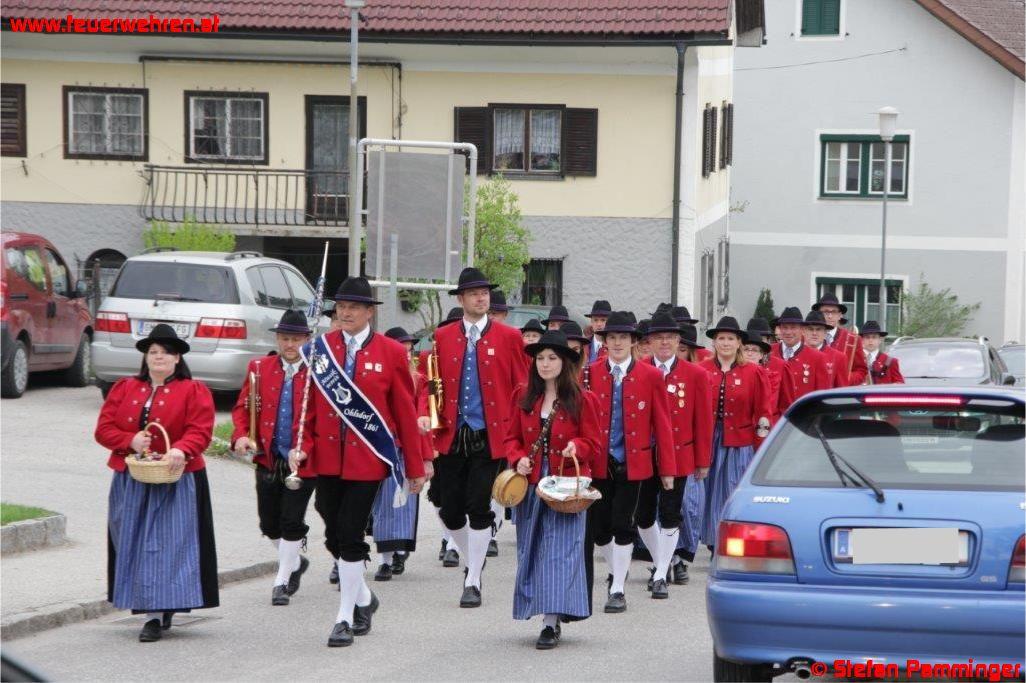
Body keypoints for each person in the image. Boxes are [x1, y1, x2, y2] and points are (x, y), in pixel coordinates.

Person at [293, 276, 427, 648]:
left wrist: (414, 468)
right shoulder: (319, 350)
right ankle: (365, 599)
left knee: (351, 533)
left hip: (368, 461)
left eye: (354, 307)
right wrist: (300, 445)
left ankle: (344, 616)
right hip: (326, 460)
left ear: (370, 312)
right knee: (333, 533)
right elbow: (305, 410)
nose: (346, 312)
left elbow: (403, 413)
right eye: (342, 307)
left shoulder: (391, 352)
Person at [94, 324, 217, 643]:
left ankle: (156, 615)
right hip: (131, 479)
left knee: (167, 545)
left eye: (166, 352)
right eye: (153, 352)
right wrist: (129, 440)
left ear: (177, 358)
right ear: (146, 358)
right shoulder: (124, 388)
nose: (159, 357)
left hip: (177, 479)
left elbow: (200, 430)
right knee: (133, 542)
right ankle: (149, 605)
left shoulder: (194, 390)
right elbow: (103, 430)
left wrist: (180, 448)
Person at [432, 267, 527, 608]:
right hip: (452, 433)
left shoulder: (509, 337)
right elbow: (434, 385)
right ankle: (471, 559)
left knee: (478, 506)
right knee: (449, 510)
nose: (481, 297)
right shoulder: (443, 336)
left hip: (490, 434)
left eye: (484, 292)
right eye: (473, 293)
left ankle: (473, 577)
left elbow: (521, 388)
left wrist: (520, 436)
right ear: (461, 299)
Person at [505, 330, 601, 649]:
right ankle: (540, 611)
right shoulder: (524, 395)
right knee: (532, 550)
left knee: (560, 552)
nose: (545, 364)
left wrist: (577, 446)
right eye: (540, 358)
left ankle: (551, 621)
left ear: (565, 362)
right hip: (533, 485)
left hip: (566, 487)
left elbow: (593, 442)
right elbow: (511, 440)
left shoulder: (583, 398)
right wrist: (518, 459)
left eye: (552, 358)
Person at [587, 311, 674, 614]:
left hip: (633, 462)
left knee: (624, 524)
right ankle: (616, 570)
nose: (618, 343)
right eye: (612, 337)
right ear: (605, 342)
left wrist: (667, 469)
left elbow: (662, 424)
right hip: (598, 462)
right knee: (600, 529)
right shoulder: (591, 373)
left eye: (624, 337)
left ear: (634, 342)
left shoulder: (651, 376)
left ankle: (617, 587)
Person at [231, 310, 314, 606]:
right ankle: (294, 563)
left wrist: (306, 448)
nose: (290, 344)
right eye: (285, 338)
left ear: (307, 339)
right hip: (268, 457)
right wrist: (240, 435)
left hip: (302, 460)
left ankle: (281, 581)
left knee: (292, 520)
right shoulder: (259, 368)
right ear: (277, 339)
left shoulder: (317, 371)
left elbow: (322, 419)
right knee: (269, 523)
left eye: (296, 338)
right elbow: (242, 408)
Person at [636, 313, 712, 599]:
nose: (664, 342)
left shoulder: (696, 375)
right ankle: (661, 561)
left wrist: (703, 461)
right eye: (658, 337)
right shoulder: (639, 369)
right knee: (643, 516)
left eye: (670, 337)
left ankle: (659, 573)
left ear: (679, 341)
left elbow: (703, 421)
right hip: (644, 455)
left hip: (680, 454)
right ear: (650, 342)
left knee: (670, 513)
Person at [699, 317, 770, 551]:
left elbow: (763, 412)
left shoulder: (753, 372)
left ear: (739, 342)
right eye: (721, 338)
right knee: (706, 492)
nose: (726, 343)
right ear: (714, 342)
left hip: (739, 441)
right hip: (708, 439)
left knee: (732, 491)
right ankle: (709, 540)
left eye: (731, 338)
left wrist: (759, 446)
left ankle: (732, 541)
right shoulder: (702, 370)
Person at [369, 326, 430, 581]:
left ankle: (398, 552)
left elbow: (421, 422)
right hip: (379, 448)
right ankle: (383, 558)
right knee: (380, 506)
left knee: (402, 504)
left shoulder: (419, 381)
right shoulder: (375, 378)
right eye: (400, 351)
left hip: (406, 450)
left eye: (409, 351)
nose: (406, 356)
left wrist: (426, 459)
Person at [771, 307, 831, 409]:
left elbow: (821, 397)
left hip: (803, 419)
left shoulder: (818, 358)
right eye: (785, 327)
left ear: (802, 330)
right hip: (773, 421)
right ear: (780, 329)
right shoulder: (769, 352)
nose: (788, 332)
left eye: (793, 327)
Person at [743, 318, 786, 444]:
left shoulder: (781, 367)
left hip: (769, 432)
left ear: (768, 341)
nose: (751, 352)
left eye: (762, 338)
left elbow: (785, 406)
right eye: (747, 348)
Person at [814, 293, 867, 386]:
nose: (830, 316)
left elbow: (861, 371)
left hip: (840, 394)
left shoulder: (853, 339)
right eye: (825, 312)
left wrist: (843, 379)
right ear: (818, 314)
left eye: (834, 312)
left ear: (840, 315)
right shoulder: (807, 338)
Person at [803, 310, 849, 387]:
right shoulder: (793, 355)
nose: (814, 333)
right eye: (811, 329)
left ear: (825, 333)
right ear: (803, 331)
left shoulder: (839, 358)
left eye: (818, 329)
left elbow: (841, 392)